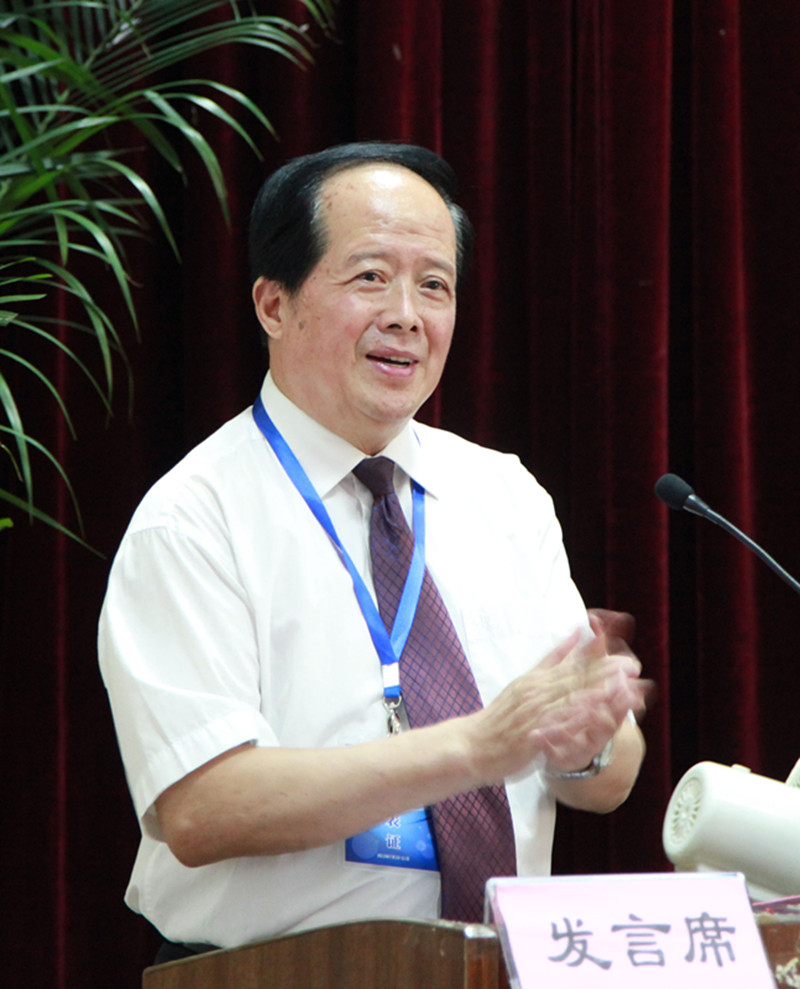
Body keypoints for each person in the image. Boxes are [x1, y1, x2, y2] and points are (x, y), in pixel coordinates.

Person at [98, 142, 649, 961]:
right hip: (278, 974)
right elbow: (203, 805)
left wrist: (586, 742)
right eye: (370, 277)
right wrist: (474, 748)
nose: (407, 315)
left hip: (497, 965)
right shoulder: (195, 518)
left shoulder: (503, 494)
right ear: (273, 304)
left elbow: (611, 778)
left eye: (435, 285)